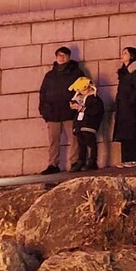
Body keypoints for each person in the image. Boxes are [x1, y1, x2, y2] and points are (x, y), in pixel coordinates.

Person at [38, 45, 86, 175]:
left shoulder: (76, 73)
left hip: (70, 112)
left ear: (69, 57)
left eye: (64, 55)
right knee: (53, 140)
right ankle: (53, 164)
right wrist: (44, 110)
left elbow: (83, 91)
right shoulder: (50, 75)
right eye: (59, 55)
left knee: (74, 138)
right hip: (52, 113)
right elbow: (43, 93)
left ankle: (75, 162)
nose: (61, 58)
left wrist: (77, 108)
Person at [69, 76, 105, 171]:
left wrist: (83, 108)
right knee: (81, 144)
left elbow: (96, 111)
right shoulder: (81, 99)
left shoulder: (94, 99)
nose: (81, 92)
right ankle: (81, 161)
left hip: (89, 125)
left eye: (82, 90)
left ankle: (92, 161)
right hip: (80, 125)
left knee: (91, 143)